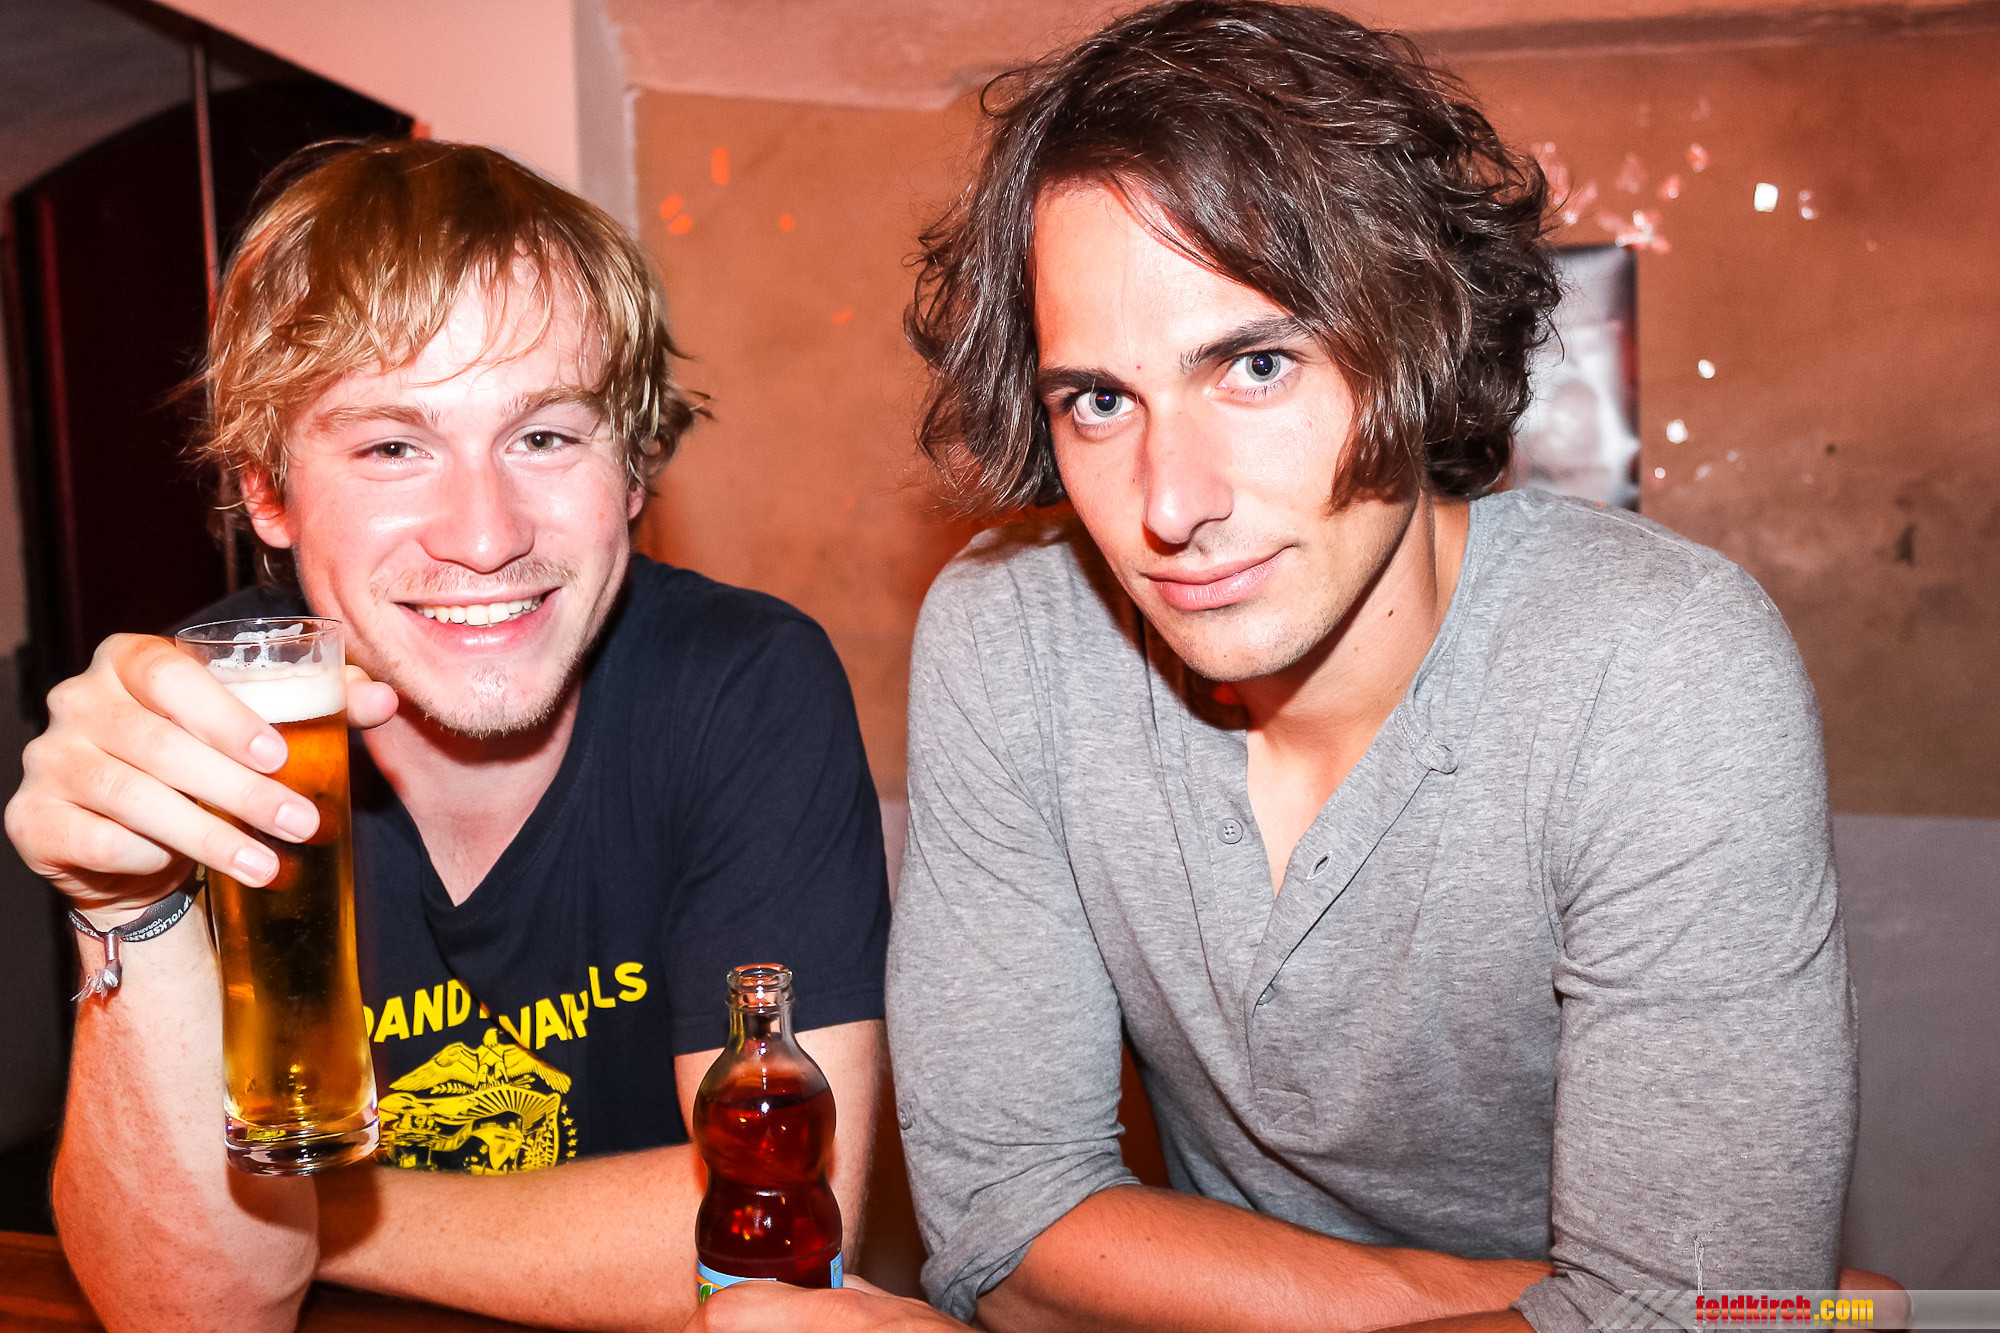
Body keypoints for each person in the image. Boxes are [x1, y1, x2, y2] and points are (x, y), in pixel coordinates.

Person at [694, 4, 1862, 1332]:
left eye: (1254, 366)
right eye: (1098, 400)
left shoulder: (1656, 669)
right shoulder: (1014, 634)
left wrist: (1665, 1308)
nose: (1168, 503)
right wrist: (1557, 1305)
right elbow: (1005, 1231)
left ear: (1422, 332)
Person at [4, 140, 891, 1331]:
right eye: (391, 446)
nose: (484, 536)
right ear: (267, 490)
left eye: (544, 436)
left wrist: (304, 1218)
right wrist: (125, 908)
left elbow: (772, 1237)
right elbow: (189, 1306)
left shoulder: (739, 685)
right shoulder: (193, 734)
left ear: (633, 467)